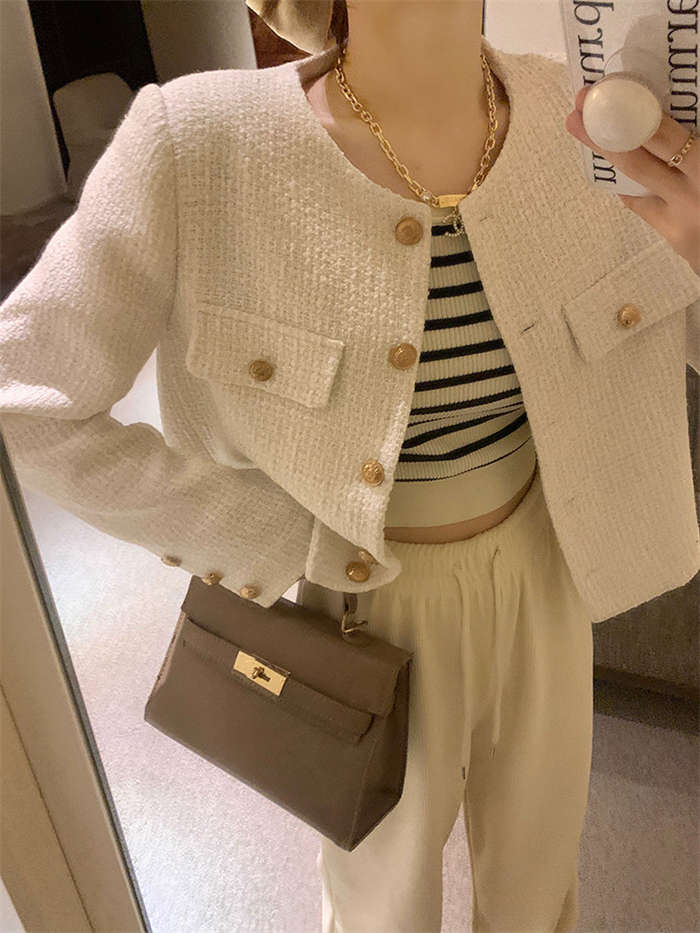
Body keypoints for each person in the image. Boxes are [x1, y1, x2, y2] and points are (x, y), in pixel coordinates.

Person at [1, 0, 698, 930]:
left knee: (539, 891)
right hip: (360, 612)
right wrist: (270, 534)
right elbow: (26, 399)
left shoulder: (582, 116)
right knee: (380, 903)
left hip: (549, 575)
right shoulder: (201, 147)